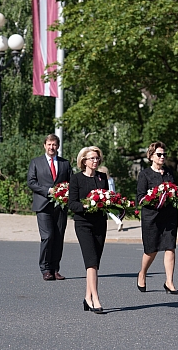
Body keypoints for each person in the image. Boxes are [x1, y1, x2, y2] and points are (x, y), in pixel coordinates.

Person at [136, 141, 178, 295]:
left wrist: (174, 195)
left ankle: (169, 282)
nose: (162, 157)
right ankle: (142, 272)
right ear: (151, 156)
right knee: (151, 249)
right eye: (159, 154)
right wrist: (155, 197)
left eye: (164, 154)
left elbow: (176, 190)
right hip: (151, 216)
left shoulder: (169, 173)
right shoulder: (144, 174)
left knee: (170, 247)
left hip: (169, 215)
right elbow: (140, 198)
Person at [27, 134, 73, 281]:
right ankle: (45, 269)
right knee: (47, 237)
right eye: (49, 144)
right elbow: (31, 182)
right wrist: (48, 190)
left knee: (58, 238)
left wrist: (66, 192)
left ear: (58, 146)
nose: (51, 147)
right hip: (43, 205)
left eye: (54, 144)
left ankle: (55, 269)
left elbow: (72, 182)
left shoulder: (65, 163)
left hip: (60, 206)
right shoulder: (36, 163)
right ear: (44, 145)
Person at [68, 146, 108, 314]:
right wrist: (86, 205)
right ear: (83, 161)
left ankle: (87, 297)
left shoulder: (102, 177)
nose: (95, 161)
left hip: (100, 223)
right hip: (83, 223)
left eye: (97, 158)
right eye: (92, 158)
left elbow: (107, 197)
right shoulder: (76, 179)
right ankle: (96, 299)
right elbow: (72, 203)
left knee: (95, 263)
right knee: (91, 261)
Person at [98, 165, 123, 231]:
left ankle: (118, 221)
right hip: (113, 195)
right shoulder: (111, 179)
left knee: (108, 211)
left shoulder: (104, 180)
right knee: (112, 210)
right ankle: (118, 220)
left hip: (107, 196)